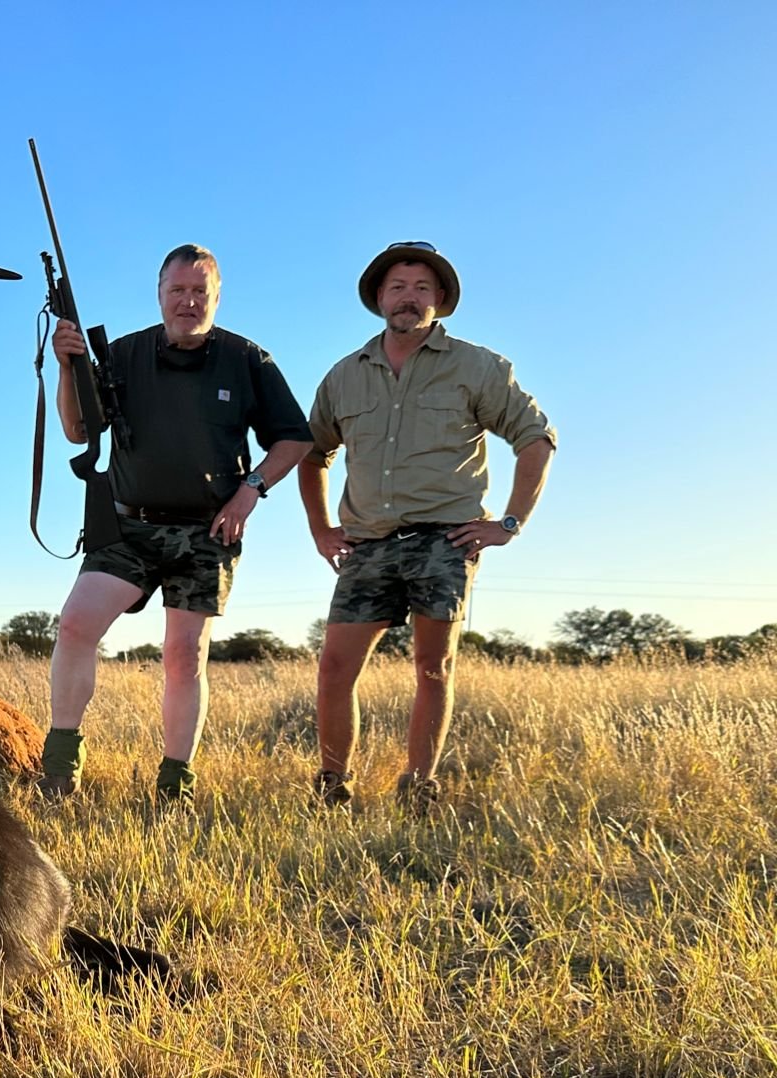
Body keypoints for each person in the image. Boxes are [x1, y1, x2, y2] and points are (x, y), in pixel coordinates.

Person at [42, 244, 313, 805]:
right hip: (128, 526)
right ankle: (62, 761)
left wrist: (249, 492)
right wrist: (68, 365)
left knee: (183, 654)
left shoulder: (247, 359)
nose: (188, 301)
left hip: (208, 530)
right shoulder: (120, 355)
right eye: (177, 291)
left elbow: (294, 439)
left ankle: (174, 782)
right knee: (75, 626)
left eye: (199, 292)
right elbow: (75, 428)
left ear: (215, 297)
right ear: (160, 294)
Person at [297, 242, 556, 811]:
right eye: (397, 287)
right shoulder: (345, 375)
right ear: (379, 298)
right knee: (335, 667)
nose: (408, 298)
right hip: (365, 541)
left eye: (421, 288)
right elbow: (313, 454)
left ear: (438, 299)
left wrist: (509, 521)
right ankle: (333, 786)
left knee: (432, 667)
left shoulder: (477, 366)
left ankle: (419, 786)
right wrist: (320, 529)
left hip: (445, 538)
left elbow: (536, 439)